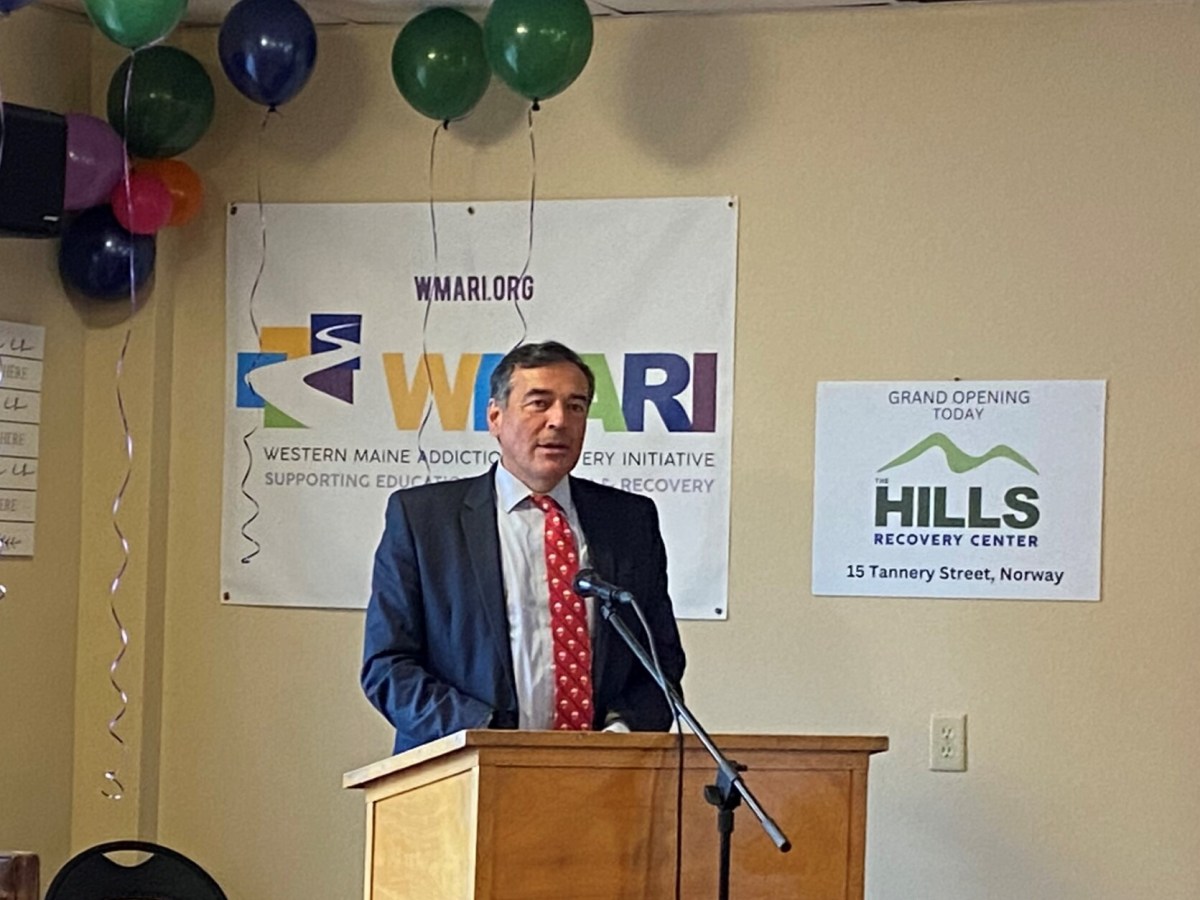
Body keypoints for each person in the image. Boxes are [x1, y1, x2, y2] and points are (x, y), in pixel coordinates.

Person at [361, 340, 686, 754]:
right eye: (539, 403)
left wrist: (618, 738)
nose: (559, 420)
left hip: (603, 773)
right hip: (463, 768)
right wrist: (488, 735)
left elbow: (660, 661)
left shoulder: (629, 521)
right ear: (495, 417)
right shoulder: (424, 519)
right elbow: (388, 666)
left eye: (575, 406)